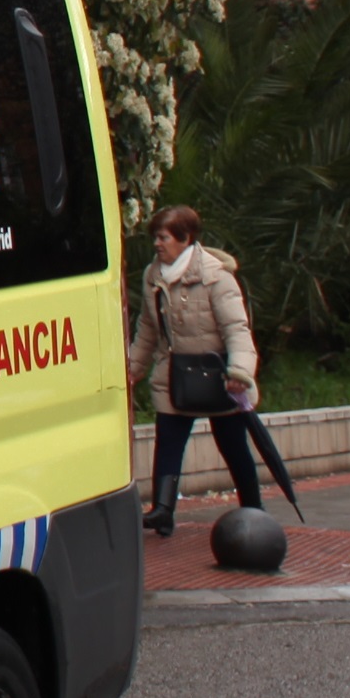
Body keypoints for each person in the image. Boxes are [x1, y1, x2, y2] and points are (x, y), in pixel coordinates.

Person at [129, 204, 267, 533]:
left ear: (184, 238)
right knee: (169, 440)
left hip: (218, 377)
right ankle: (162, 510)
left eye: (163, 238)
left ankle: (254, 510)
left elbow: (237, 330)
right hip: (174, 374)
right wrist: (133, 368)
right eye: (155, 238)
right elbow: (147, 328)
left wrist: (239, 373)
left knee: (233, 446)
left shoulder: (217, 278)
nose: (157, 245)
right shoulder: (154, 276)